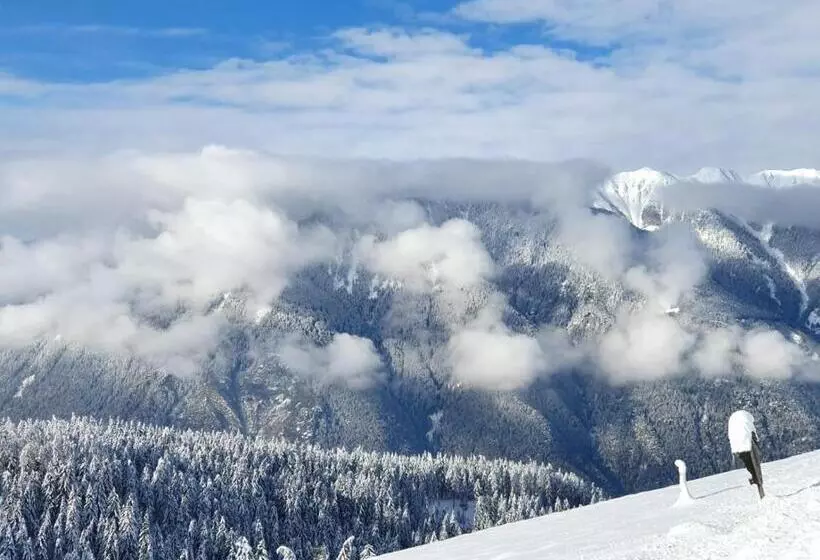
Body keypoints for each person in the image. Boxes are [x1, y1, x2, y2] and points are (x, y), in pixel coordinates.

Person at [727, 410, 764, 498]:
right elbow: (753, 433)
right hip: (747, 443)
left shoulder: (733, 421)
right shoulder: (746, 418)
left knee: (749, 464)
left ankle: (756, 479)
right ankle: (758, 482)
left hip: (739, 447)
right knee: (755, 464)